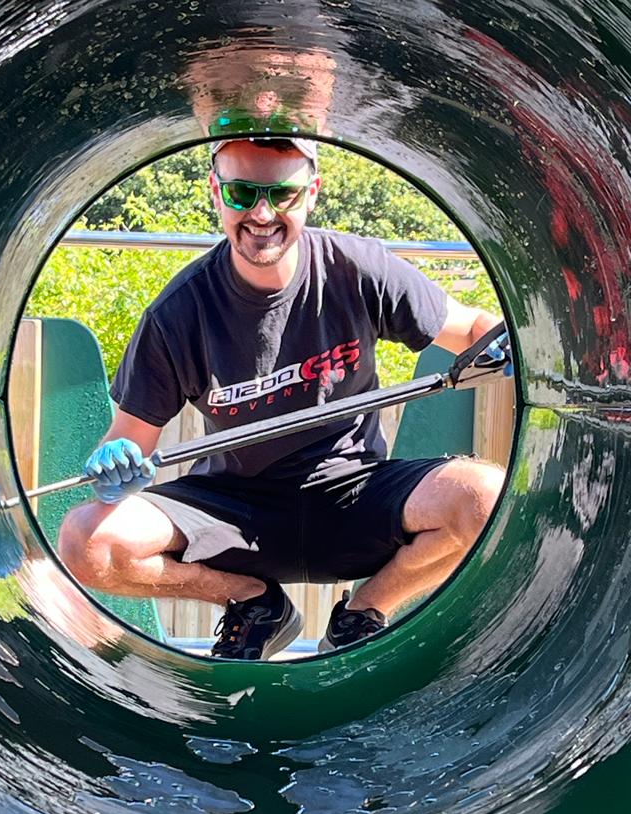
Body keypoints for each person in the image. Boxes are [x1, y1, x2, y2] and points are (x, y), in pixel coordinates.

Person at [58, 135, 507, 658]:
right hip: (233, 510)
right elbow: (129, 441)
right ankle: (253, 603)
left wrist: (519, 346)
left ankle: (364, 613)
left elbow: (471, 327)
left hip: (354, 493)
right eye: (242, 193)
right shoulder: (177, 313)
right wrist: (115, 466)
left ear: (311, 193)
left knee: (486, 497)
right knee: (85, 541)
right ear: (216, 192)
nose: (262, 213)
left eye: (282, 194)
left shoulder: (356, 268)